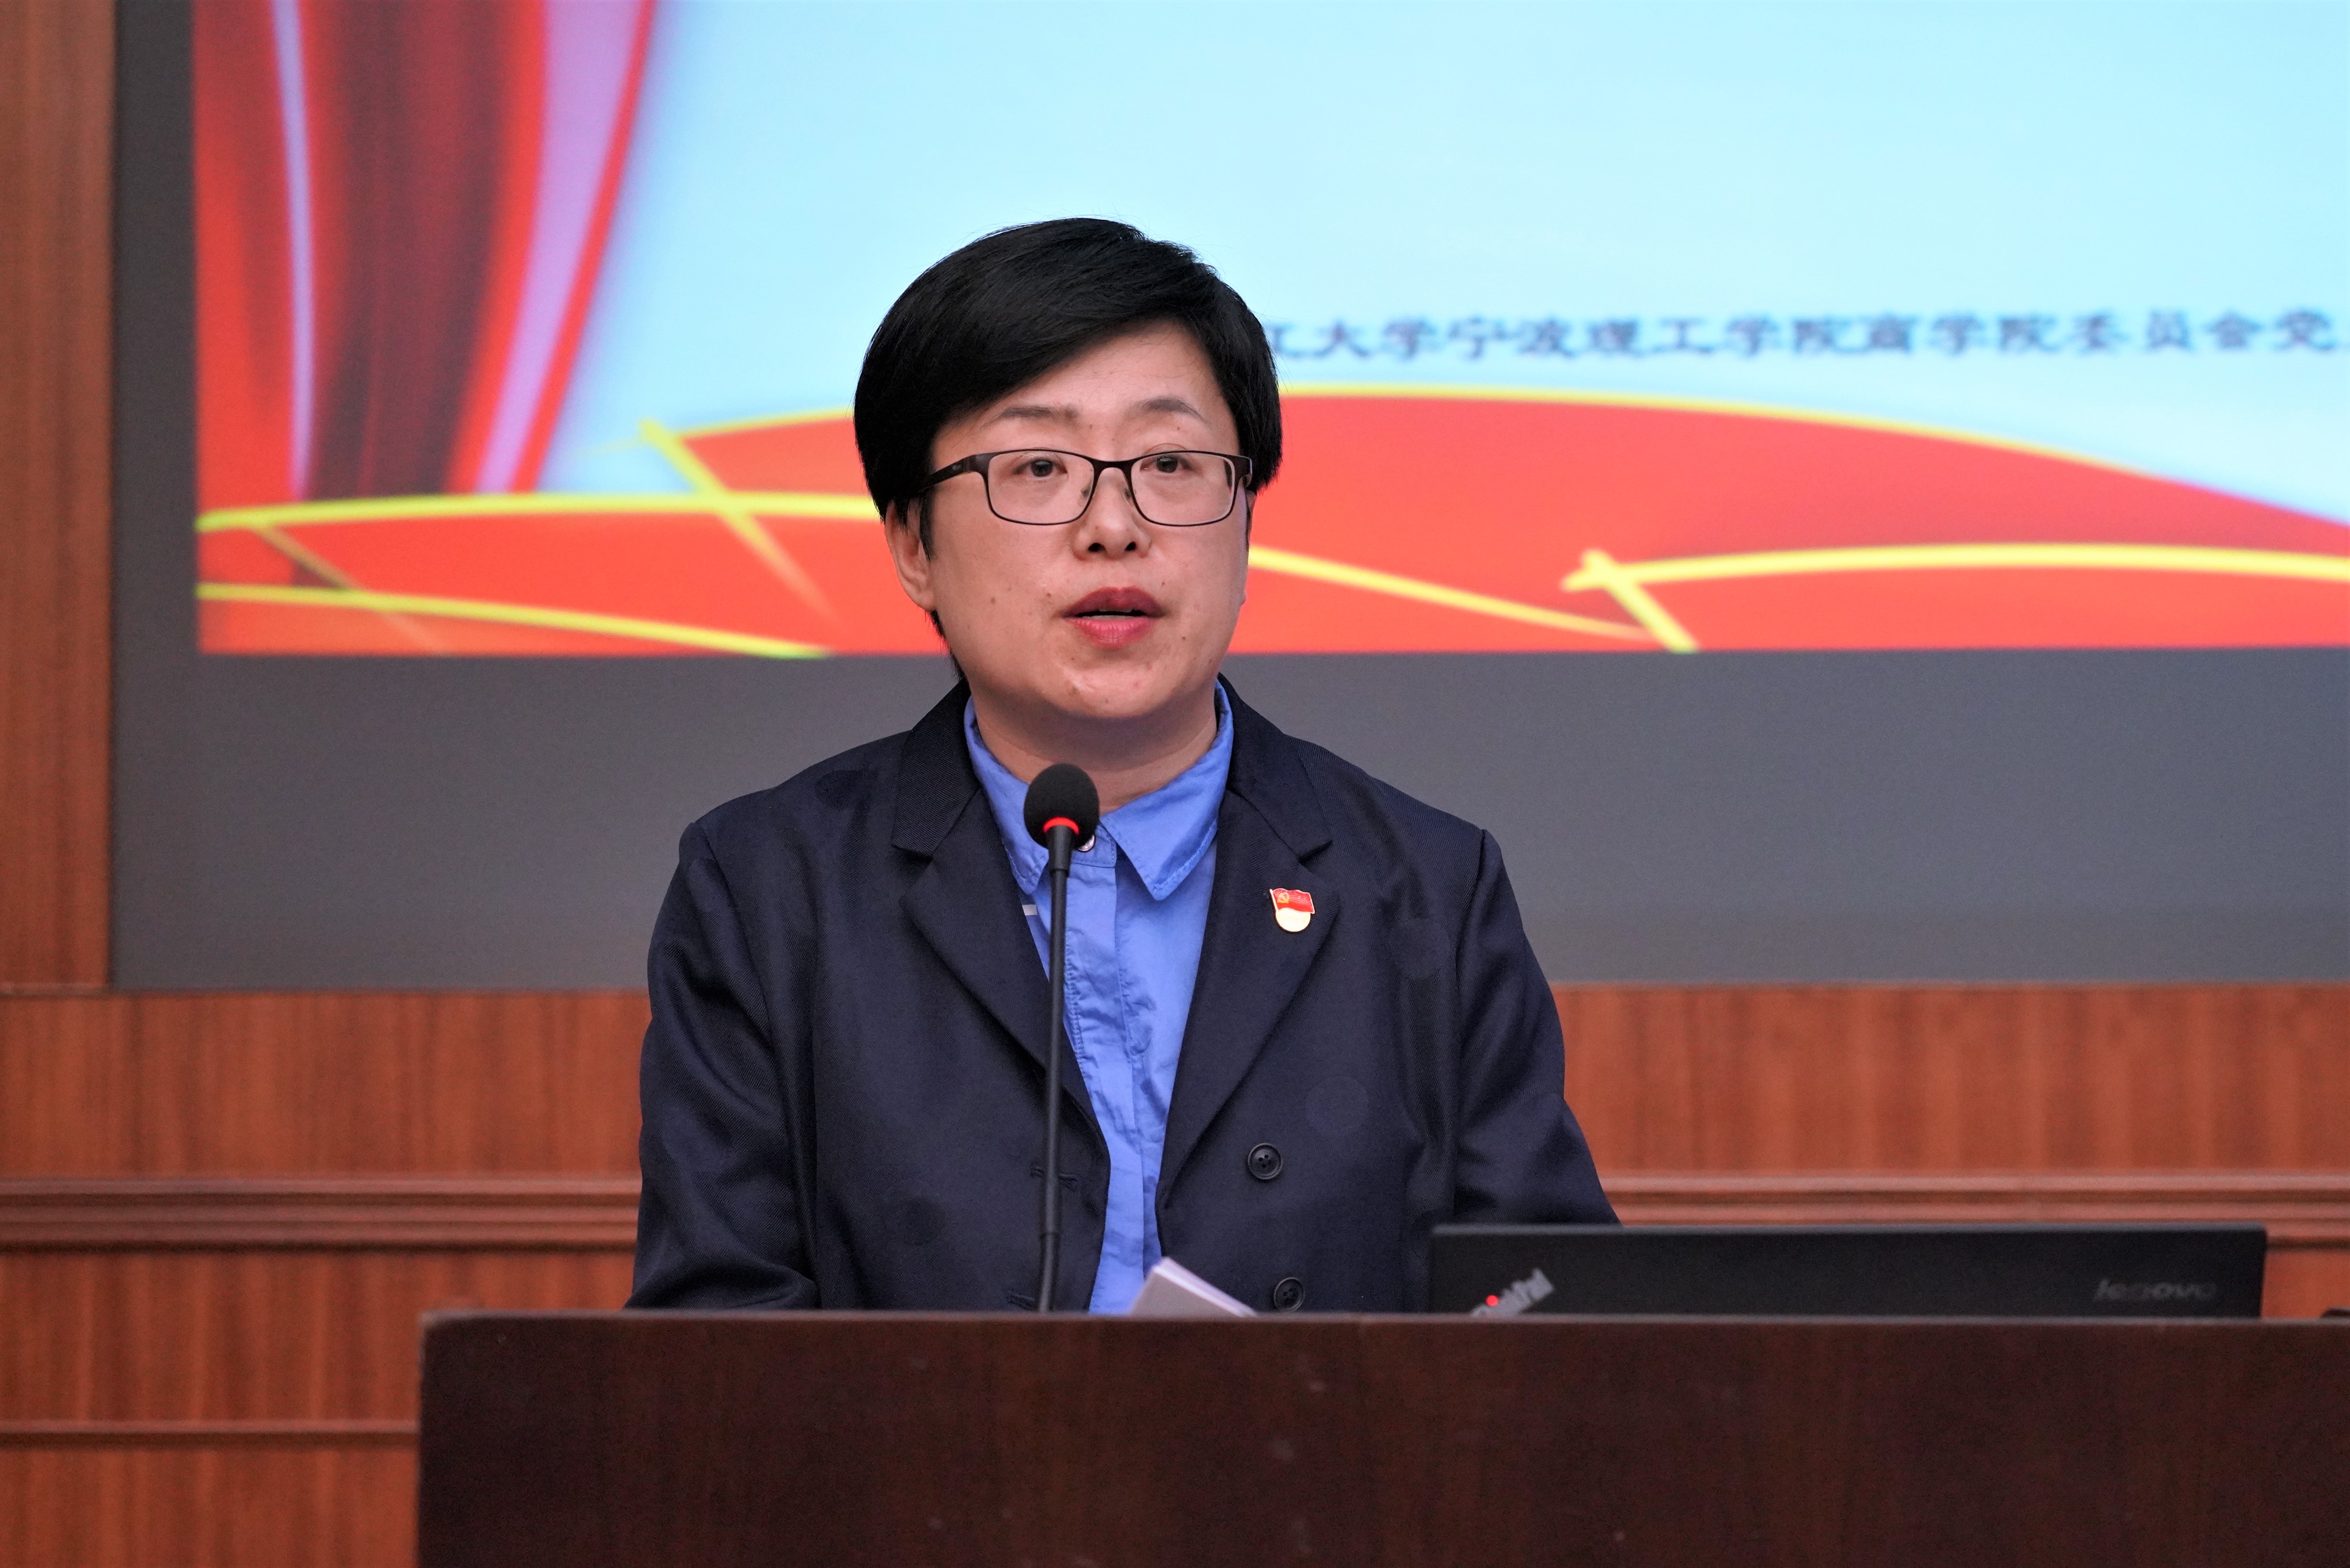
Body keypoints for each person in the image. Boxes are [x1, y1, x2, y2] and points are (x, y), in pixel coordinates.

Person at [629, 218, 1613, 1314]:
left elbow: (1544, 1304)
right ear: (914, 546)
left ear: (1245, 523)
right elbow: (717, 1334)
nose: (1113, 526)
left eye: (1172, 465)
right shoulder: (771, 888)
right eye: (1037, 468)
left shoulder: (1423, 885)